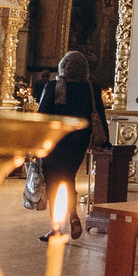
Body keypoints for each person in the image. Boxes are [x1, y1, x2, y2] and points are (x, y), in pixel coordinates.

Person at [33, 51, 107, 241]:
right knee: (68, 178)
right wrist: (104, 141)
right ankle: (73, 216)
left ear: (62, 67)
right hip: (78, 143)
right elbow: (99, 115)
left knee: (54, 184)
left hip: (54, 142)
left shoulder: (53, 86)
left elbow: (41, 117)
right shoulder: (91, 88)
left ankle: (56, 228)